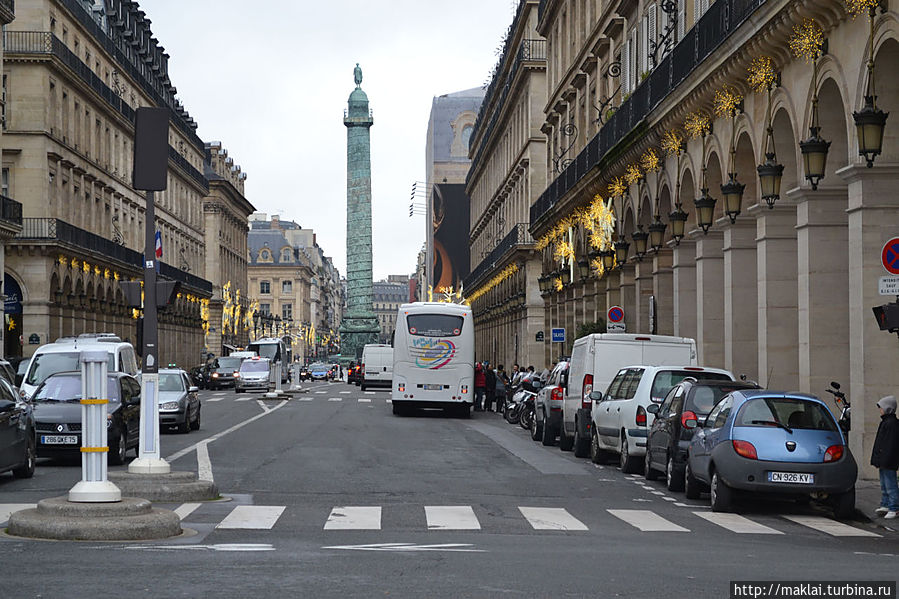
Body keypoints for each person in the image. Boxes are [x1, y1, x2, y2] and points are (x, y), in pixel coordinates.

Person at [872, 395, 899, 519]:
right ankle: (886, 504)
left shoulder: (891, 424)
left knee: (890, 484)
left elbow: (890, 444)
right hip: (884, 459)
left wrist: (882, 458)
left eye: (881, 408)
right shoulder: (886, 422)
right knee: (884, 483)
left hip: (888, 459)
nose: (880, 410)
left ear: (887, 408)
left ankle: (894, 507)